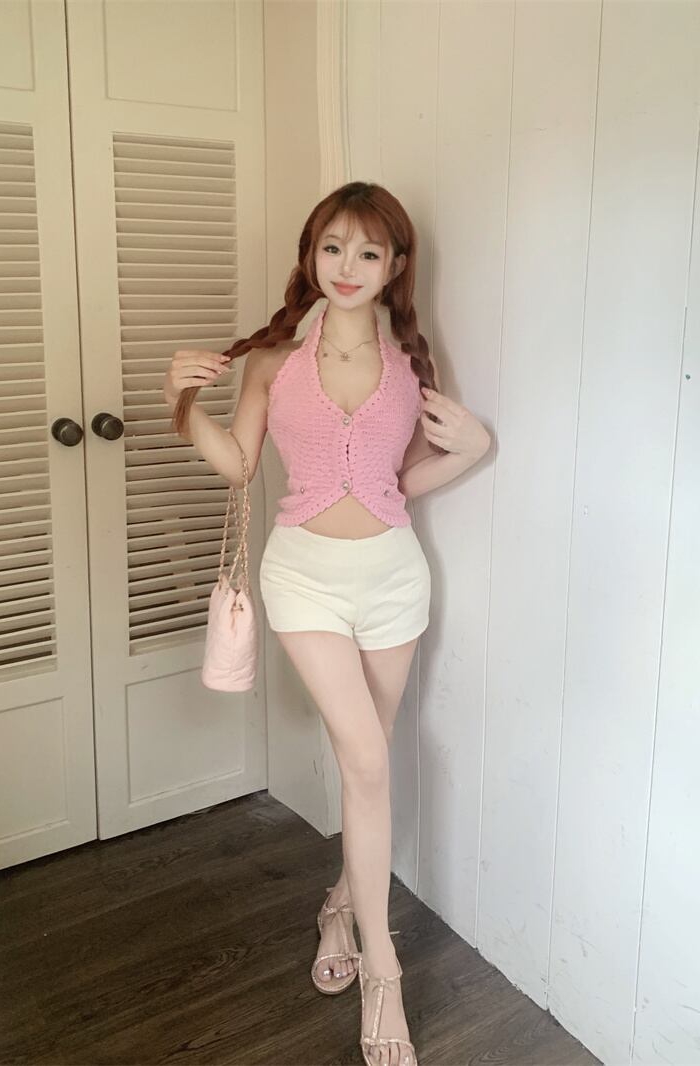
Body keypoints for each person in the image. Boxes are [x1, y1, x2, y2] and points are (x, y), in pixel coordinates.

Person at [164, 181, 490, 1066]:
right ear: (311, 255)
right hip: (303, 577)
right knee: (369, 760)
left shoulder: (413, 363)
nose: (348, 266)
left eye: (369, 251)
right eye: (333, 247)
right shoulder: (275, 361)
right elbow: (239, 463)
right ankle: (384, 971)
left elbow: (403, 481)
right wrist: (181, 404)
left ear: (395, 265)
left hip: (393, 581)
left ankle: (340, 907)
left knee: (364, 764)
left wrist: (476, 449)